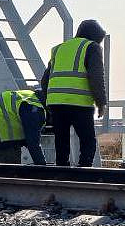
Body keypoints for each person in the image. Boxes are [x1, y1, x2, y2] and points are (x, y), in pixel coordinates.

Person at [39, 19, 108, 167]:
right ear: (94, 36)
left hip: (56, 104)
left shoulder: (59, 49)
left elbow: (45, 80)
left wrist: (49, 100)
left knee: (61, 142)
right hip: (79, 103)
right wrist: (101, 103)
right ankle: (83, 172)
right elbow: (96, 77)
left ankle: (62, 172)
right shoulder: (92, 47)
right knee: (88, 142)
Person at [0, 89, 48, 165]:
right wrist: (42, 166)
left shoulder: (31, 97)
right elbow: (32, 141)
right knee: (9, 152)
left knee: (2, 152)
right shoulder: (35, 108)